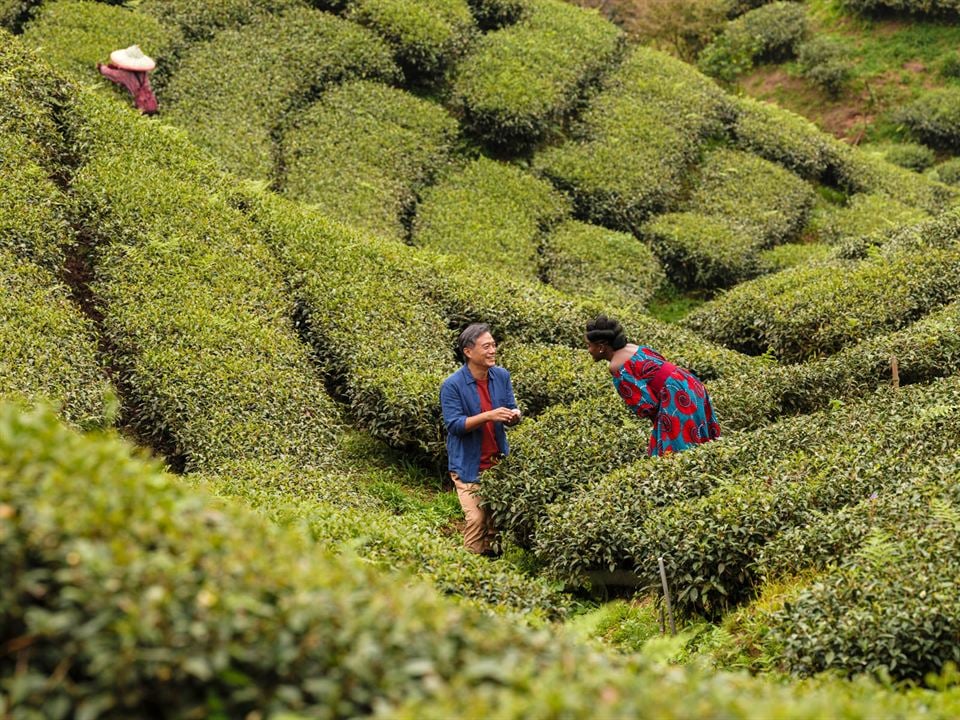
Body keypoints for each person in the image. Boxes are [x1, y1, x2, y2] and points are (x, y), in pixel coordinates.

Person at [585, 314, 720, 457]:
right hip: (688, 381)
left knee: (676, 453)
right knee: (700, 441)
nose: (588, 351)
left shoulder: (616, 366)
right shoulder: (634, 347)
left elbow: (647, 405)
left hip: (675, 394)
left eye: (589, 346)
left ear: (601, 347)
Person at [440, 323, 521, 556]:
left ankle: (491, 569)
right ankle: (468, 568)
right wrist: (489, 415)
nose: (492, 350)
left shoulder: (501, 376)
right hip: (468, 464)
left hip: (497, 461)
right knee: (476, 518)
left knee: (496, 523)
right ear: (468, 351)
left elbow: (512, 407)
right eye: (486, 346)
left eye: (494, 345)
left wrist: (513, 416)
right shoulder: (452, 385)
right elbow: (455, 425)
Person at [97, 45, 159, 115]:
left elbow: (110, 73)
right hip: (147, 102)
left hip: (135, 102)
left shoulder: (125, 74)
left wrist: (100, 67)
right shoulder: (143, 72)